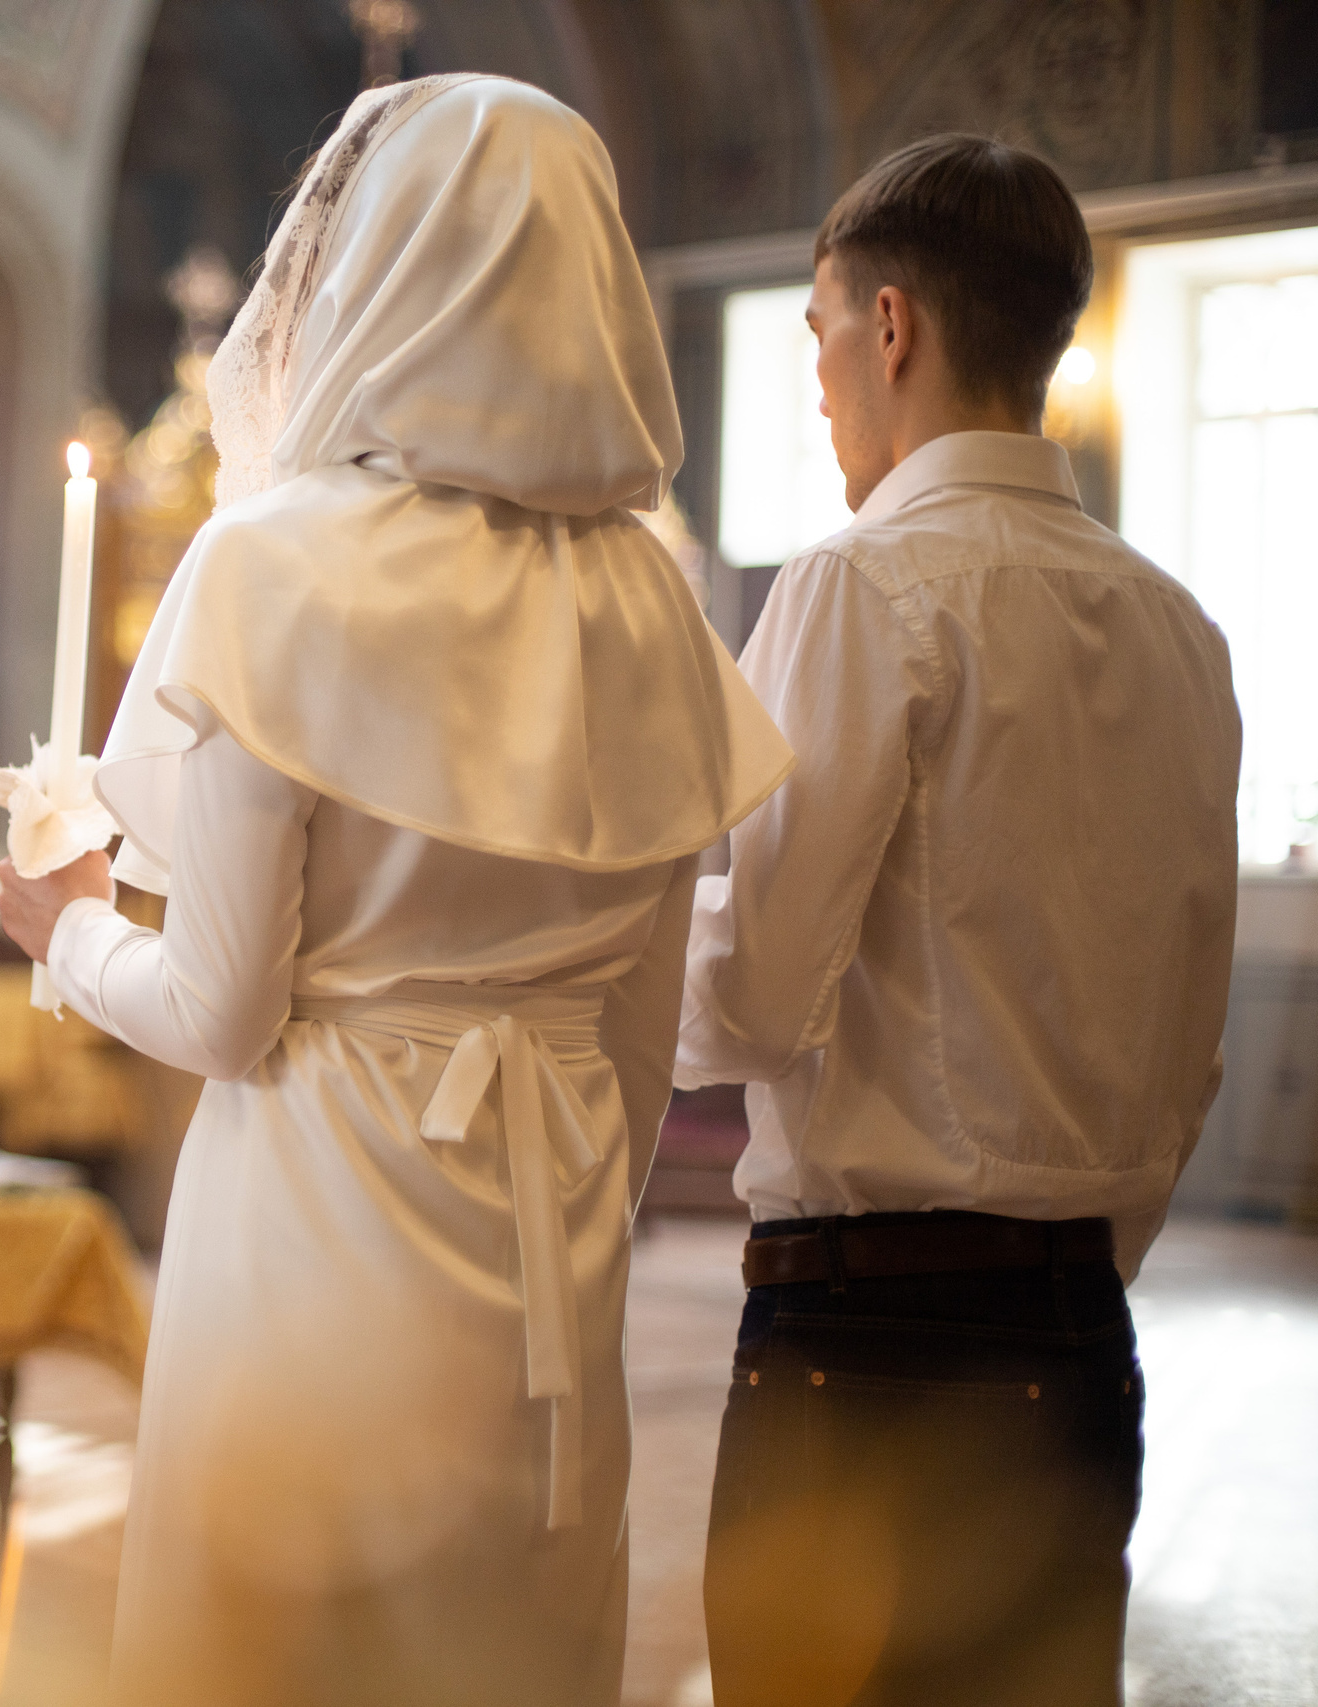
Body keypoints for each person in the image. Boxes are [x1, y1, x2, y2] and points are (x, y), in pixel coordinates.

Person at [0, 77, 792, 1706]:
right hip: (546, 1283)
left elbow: (221, 1009)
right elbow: (637, 1051)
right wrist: (553, 1209)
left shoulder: (274, 563)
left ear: (371, 269)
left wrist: (69, 927)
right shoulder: (653, 600)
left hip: (307, 1244)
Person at [677, 134, 1240, 1707]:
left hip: (865, 1346)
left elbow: (760, 997)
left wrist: (573, 973)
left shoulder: (864, 586)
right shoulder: (1181, 633)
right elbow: (1190, 1045)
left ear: (895, 326)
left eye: (819, 341)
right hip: (1076, 1341)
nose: (823, 386)